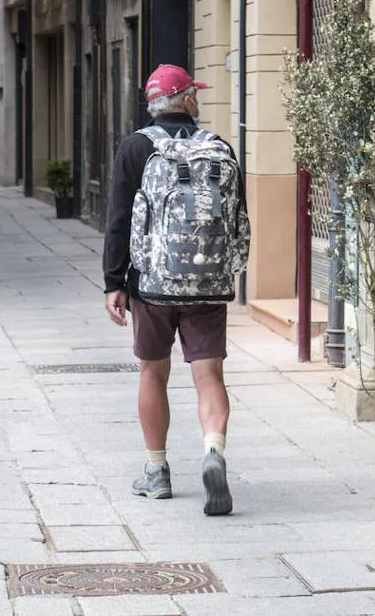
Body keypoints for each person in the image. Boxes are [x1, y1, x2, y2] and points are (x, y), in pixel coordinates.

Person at [102, 63, 250, 517]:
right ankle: (213, 452)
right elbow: (239, 217)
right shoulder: (218, 147)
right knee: (209, 376)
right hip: (207, 283)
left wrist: (114, 282)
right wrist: (231, 271)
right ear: (186, 101)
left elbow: (119, 220)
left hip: (152, 284)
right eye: (195, 94)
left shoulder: (135, 148)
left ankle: (156, 471)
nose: (198, 100)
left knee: (153, 373)